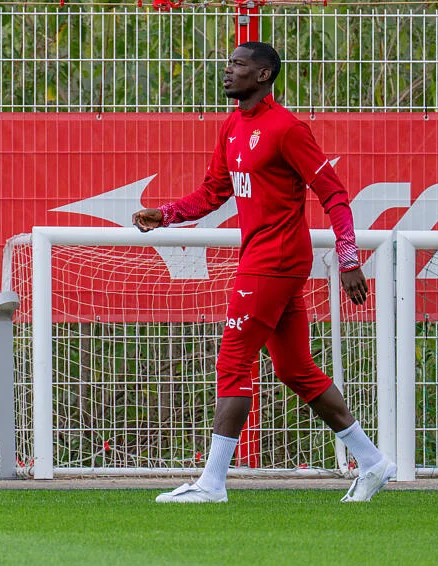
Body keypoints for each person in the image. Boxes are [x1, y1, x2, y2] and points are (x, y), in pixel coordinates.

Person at [132, 42, 395, 503]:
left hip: (274, 262)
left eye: (238, 64)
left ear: (264, 74)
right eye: (229, 62)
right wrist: (168, 213)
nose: (228, 70)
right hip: (268, 261)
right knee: (295, 368)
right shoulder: (233, 124)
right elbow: (214, 191)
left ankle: (212, 484)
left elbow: (334, 194)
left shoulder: (288, 129)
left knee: (234, 360)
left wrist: (350, 259)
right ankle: (373, 463)